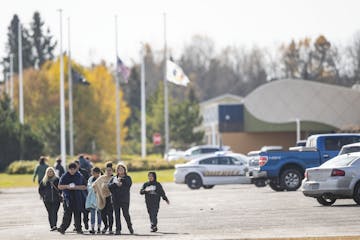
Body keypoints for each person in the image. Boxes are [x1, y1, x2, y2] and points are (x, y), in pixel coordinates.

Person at [57, 163, 87, 234]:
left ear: (76, 169)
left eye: (74, 169)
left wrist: (75, 187)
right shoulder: (64, 176)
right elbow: (59, 186)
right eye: (71, 169)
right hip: (68, 198)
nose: (72, 171)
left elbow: (84, 186)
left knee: (77, 214)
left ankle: (78, 229)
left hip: (78, 197)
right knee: (67, 214)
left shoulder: (79, 176)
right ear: (68, 169)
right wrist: (67, 186)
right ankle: (62, 228)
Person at [108, 163, 134, 235]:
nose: (120, 170)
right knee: (117, 215)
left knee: (126, 214)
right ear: (117, 170)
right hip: (115, 199)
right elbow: (109, 186)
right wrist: (115, 184)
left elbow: (129, 184)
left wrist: (121, 181)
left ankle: (130, 226)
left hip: (124, 199)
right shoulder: (113, 178)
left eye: (122, 169)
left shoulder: (127, 178)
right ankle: (118, 229)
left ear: (125, 170)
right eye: (119, 169)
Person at [93, 162, 114, 234]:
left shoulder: (113, 178)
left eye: (110, 170)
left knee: (110, 214)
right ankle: (106, 226)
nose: (108, 172)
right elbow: (95, 184)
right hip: (102, 198)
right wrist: (97, 191)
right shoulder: (101, 178)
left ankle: (110, 228)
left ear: (112, 171)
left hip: (110, 198)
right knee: (103, 214)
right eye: (107, 170)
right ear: (105, 171)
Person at [38, 167, 62, 231]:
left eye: (51, 171)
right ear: (46, 173)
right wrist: (44, 195)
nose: (50, 173)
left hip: (56, 199)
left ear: (53, 172)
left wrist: (60, 194)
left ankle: (54, 225)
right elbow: (40, 189)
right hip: (47, 200)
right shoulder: (44, 181)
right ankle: (52, 226)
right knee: (50, 213)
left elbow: (61, 188)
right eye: (48, 171)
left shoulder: (57, 180)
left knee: (54, 212)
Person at [74, 160, 90, 230]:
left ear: (79, 165)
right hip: (75, 194)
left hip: (84, 193)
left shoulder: (84, 172)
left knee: (85, 210)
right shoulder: (71, 173)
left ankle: (86, 221)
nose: (75, 167)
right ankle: (77, 225)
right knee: (77, 210)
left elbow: (88, 181)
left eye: (76, 165)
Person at [86, 167, 102, 234]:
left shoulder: (101, 179)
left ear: (98, 173)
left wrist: (96, 188)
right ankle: (92, 228)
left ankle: (99, 228)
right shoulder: (90, 178)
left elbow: (103, 188)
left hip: (99, 198)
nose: (92, 174)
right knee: (92, 214)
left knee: (99, 214)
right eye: (92, 172)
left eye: (94, 173)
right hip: (92, 198)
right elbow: (88, 187)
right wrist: (93, 188)